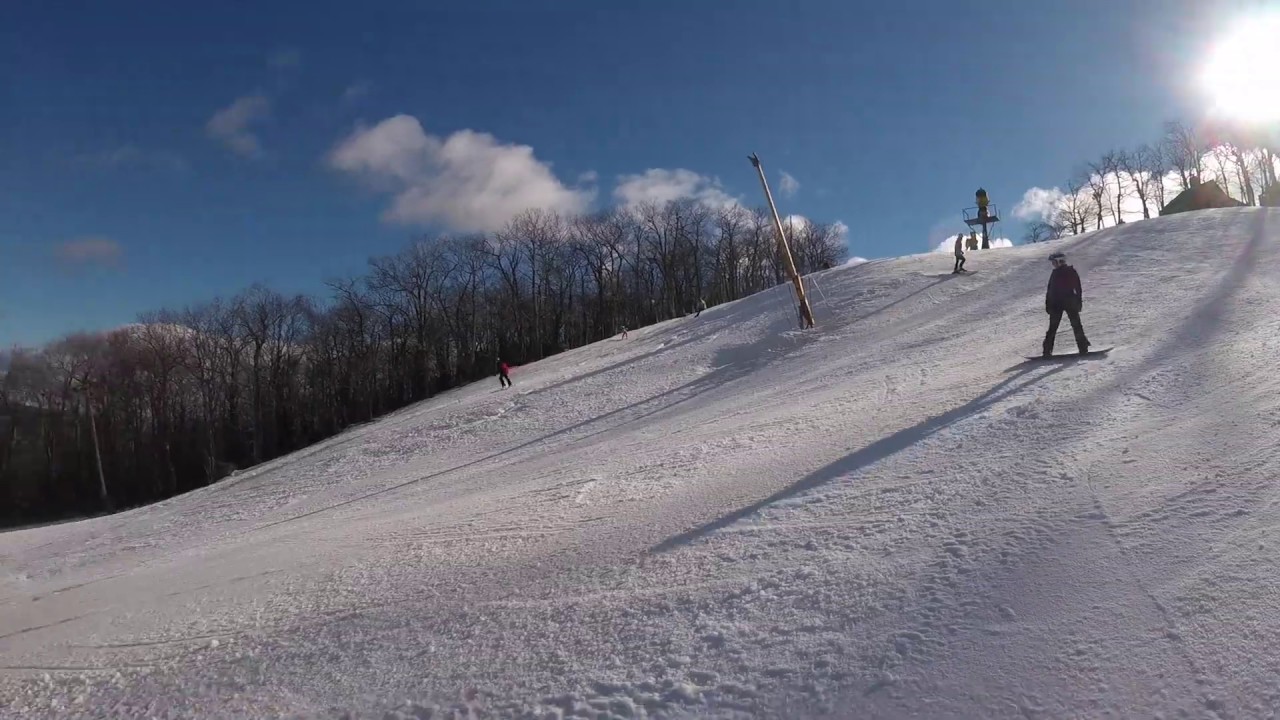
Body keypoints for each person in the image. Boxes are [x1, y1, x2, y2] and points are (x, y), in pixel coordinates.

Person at [1043, 251, 1090, 356]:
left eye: (1054, 262)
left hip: (1069, 301)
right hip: (1056, 304)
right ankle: (1047, 351)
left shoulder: (1070, 271)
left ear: (1060, 261)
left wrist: (1078, 301)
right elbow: (1050, 290)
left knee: (1076, 325)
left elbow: (1078, 287)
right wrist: (1048, 303)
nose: (1053, 264)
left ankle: (1083, 348)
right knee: (1052, 328)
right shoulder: (1054, 273)